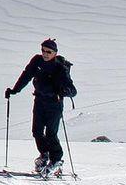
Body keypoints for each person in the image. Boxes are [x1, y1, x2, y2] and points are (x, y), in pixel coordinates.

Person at [5, 38, 78, 177]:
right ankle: (45, 155)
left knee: (51, 133)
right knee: (37, 131)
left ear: (55, 53)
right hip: (39, 101)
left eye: (48, 51)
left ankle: (56, 160)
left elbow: (73, 91)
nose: (45, 53)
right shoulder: (37, 61)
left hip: (54, 104)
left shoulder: (60, 68)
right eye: (43, 50)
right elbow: (26, 75)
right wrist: (15, 90)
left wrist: (64, 91)